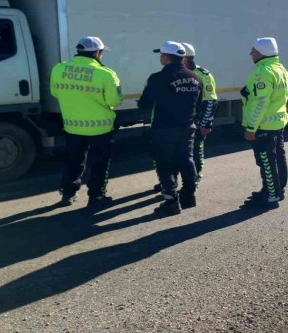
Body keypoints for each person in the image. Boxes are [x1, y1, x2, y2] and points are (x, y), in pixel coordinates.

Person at [50, 36, 122, 207]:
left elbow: (55, 92)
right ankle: (96, 195)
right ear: (97, 53)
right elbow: (114, 101)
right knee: (99, 162)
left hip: (72, 126)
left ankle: (68, 194)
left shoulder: (59, 69)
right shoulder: (106, 74)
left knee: (73, 160)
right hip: (101, 128)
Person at [138, 41, 202, 216]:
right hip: (187, 126)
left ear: (166, 57)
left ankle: (171, 201)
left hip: (164, 128)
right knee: (187, 160)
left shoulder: (157, 78)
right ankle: (189, 196)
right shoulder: (196, 78)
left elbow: (145, 103)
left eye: (161, 55)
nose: (160, 57)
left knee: (165, 165)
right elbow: (200, 103)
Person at [240, 37, 288, 209]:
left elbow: (260, 102)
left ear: (261, 52)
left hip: (263, 126)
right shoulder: (280, 69)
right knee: (278, 158)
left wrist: (251, 127)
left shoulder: (262, 72)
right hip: (278, 123)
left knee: (266, 162)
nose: (250, 53)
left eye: (253, 50)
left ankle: (271, 196)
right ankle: (277, 189)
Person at [181, 42, 218, 182]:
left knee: (196, 147)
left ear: (186, 58)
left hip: (197, 119)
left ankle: (196, 174)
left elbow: (211, 100)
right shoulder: (175, 72)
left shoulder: (203, 74)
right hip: (180, 119)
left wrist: (206, 123)